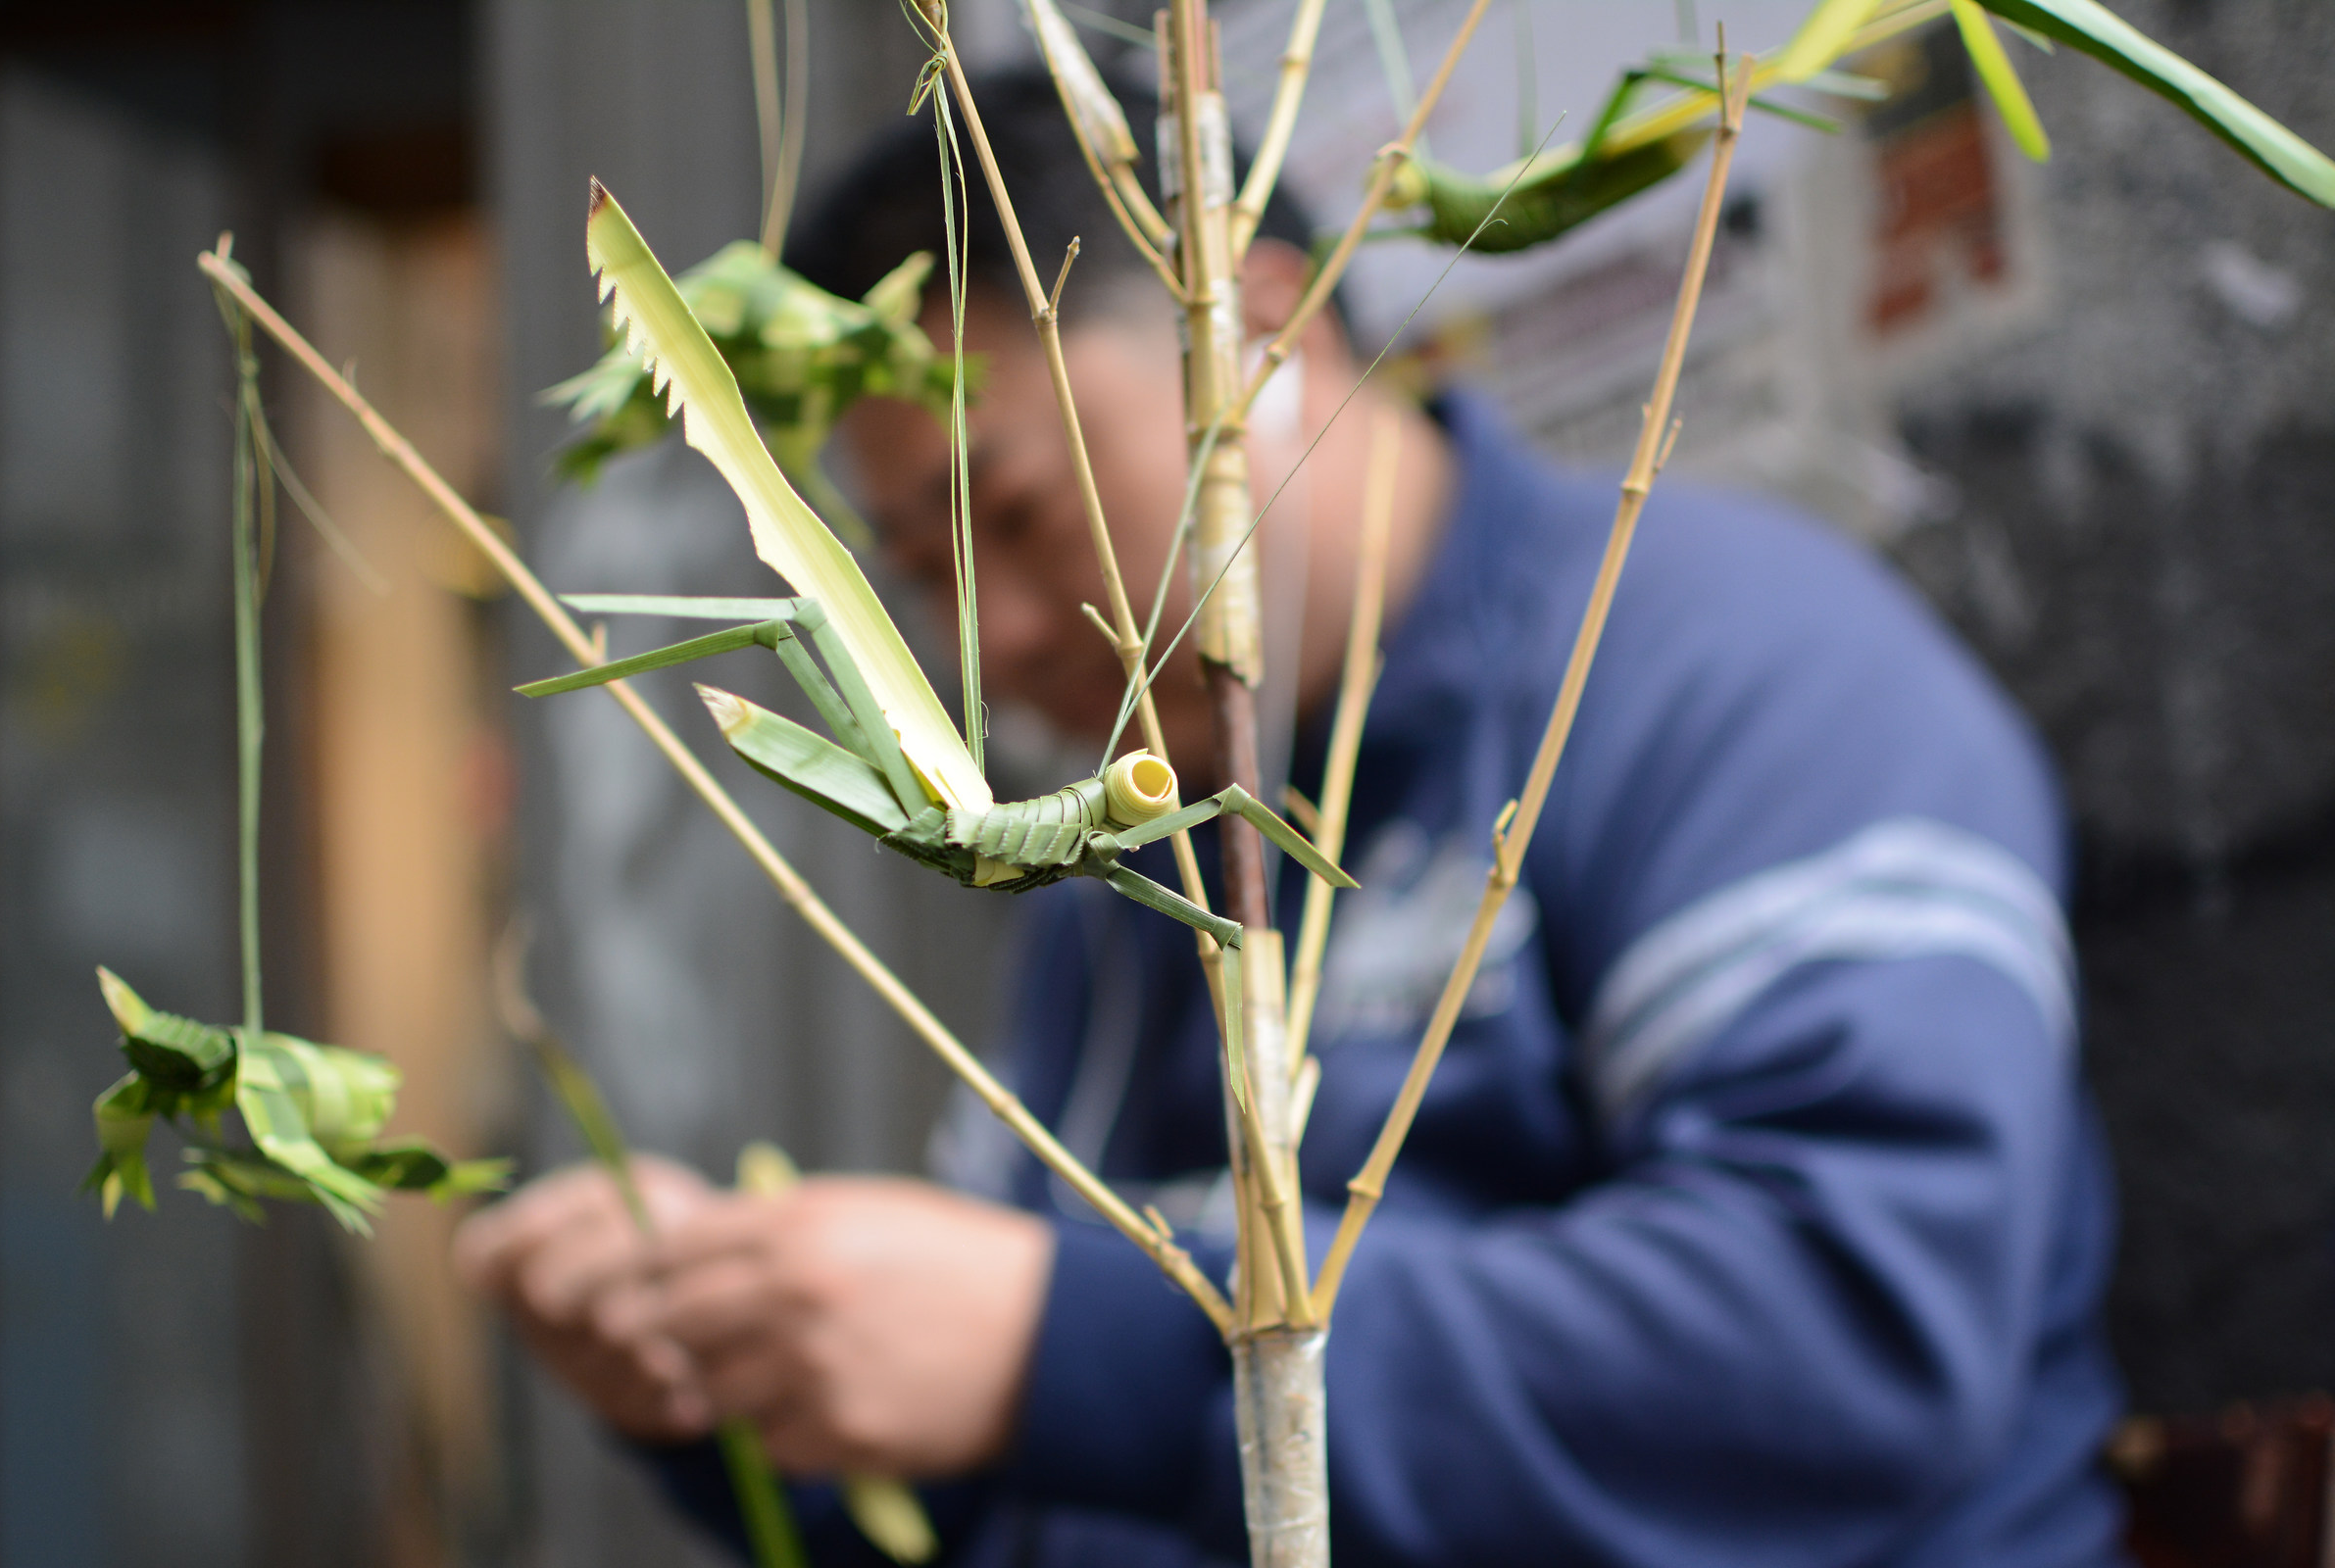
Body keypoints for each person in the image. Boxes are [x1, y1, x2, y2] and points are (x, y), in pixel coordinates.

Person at [456, 69, 2129, 1567]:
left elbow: (1851, 1338)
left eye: (1019, 516)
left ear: (1258, 320)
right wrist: (740, 1374)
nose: (995, 644)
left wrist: (1073, 1342)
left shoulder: (1733, 678)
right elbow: (1010, 1468)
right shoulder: (1134, 854)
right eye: (919, 578)